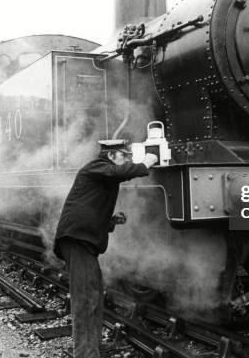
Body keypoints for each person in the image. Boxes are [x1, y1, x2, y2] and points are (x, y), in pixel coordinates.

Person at [53, 139, 158, 358]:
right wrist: (145, 164)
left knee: (94, 295)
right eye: (123, 155)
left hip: (84, 242)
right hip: (76, 240)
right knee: (84, 299)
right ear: (110, 155)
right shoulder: (96, 167)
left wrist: (111, 221)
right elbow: (117, 172)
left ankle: (94, 348)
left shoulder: (103, 177)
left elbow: (91, 208)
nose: (126, 160)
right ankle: (84, 353)